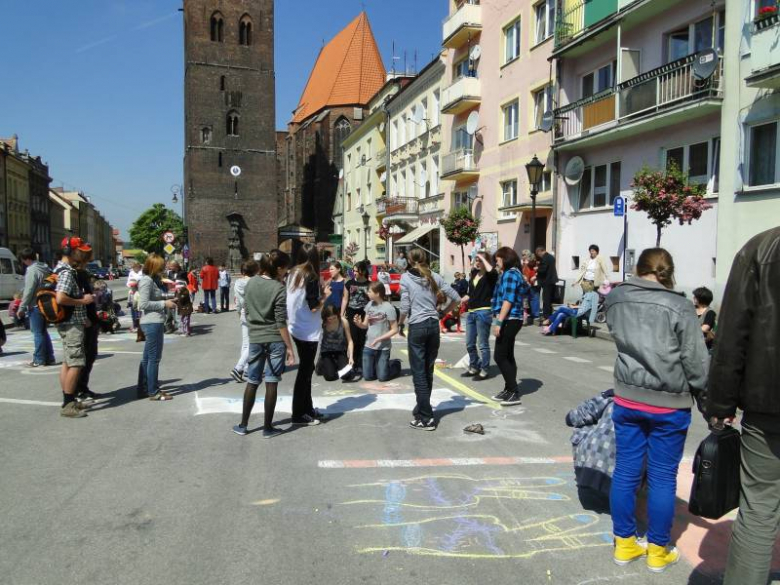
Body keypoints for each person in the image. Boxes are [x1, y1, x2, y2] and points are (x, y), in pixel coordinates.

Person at [605, 248, 709, 572]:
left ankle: (624, 545)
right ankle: (658, 550)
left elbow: (618, 336)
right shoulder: (679, 305)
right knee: (663, 478)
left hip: (627, 397)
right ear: (669, 271)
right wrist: (706, 394)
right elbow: (695, 362)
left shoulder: (617, 298)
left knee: (625, 472)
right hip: (669, 402)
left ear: (639, 268)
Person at [704, 227, 780, 585]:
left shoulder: (760, 249)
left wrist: (720, 401)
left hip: (769, 405)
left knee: (759, 509)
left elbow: (732, 335)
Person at [233, 250, 295, 438]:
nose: (286, 273)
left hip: (256, 338)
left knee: (252, 381)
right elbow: (280, 321)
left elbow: (246, 310)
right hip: (275, 338)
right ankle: (268, 428)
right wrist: (290, 348)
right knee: (271, 382)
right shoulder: (278, 288)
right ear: (278, 268)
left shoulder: (250, 283)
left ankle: (243, 425)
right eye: (285, 269)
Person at [399, 248, 460, 431]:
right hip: (433, 325)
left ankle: (426, 417)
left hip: (417, 325)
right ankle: (422, 408)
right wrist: (442, 313)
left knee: (418, 372)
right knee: (428, 370)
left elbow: (404, 306)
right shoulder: (434, 275)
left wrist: (400, 324)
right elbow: (456, 298)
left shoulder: (406, 278)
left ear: (409, 260)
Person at [54, 237, 95, 418]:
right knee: (77, 362)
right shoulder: (67, 272)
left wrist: (82, 316)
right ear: (71, 251)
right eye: (80, 250)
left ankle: (69, 399)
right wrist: (83, 301)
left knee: (68, 362)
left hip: (68, 321)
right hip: (71, 325)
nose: (83, 253)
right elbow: (61, 298)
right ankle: (68, 404)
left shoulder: (59, 269)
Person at [287, 244, 328, 426]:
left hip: (296, 327)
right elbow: (313, 306)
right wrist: (325, 296)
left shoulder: (293, 272)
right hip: (307, 330)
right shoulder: (310, 276)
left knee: (307, 370)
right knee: (305, 372)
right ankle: (299, 413)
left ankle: (308, 408)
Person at [565, 389, 616, 513]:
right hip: (630, 476)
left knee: (584, 424)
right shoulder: (664, 407)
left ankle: (586, 474)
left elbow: (572, 418)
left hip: (593, 468)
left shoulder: (613, 395)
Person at [136, 254, 178, 401]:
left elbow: (152, 300)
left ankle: (144, 387)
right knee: (154, 358)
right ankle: (153, 391)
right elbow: (143, 304)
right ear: (153, 266)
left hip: (153, 321)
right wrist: (163, 304)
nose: (162, 269)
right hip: (152, 322)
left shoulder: (151, 280)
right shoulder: (146, 281)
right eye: (160, 267)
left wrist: (167, 299)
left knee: (147, 358)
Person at [491, 247, 528, 407]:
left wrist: (499, 322)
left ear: (505, 258)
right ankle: (509, 389)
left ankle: (513, 391)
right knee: (507, 355)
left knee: (499, 356)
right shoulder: (511, 273)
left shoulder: (511, 274)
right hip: (512, 318)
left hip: (510, 318)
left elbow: (509, 299)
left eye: (498, 259)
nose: (496, 262)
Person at [459, 252, 497, 381]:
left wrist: (483, 258)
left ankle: (485, 369)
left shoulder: (490, 276)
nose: (477, 262)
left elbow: (492, 271)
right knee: (469, 343)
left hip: (483, 312)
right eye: (476, 260)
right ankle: (473, 366)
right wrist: (460, 300)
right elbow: (471, 294)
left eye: (480, 260)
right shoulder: (474, 274)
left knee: (483, 344)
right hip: (472, 312)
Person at [354, 282, 401, 382]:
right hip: (369, 345)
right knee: (367, 377)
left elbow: (395, 329)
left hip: (383, 347)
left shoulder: (388, 307)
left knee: (382, 377)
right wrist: (358, 323)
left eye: (370, 291)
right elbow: (365, 325)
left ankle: (395, 364)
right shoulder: (369, 305)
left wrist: (379, 339)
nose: (367, 293)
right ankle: (378, 366)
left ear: (378, 293)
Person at [18, 247, 56, 367]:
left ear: (27, 259)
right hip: (46, 303)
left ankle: (39, 359)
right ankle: (49, 357)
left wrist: (22, 307)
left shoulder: (32, 270)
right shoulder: (45, 267)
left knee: (38, 333)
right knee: (43, 331)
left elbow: (29, 290)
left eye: (23, 261)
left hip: (35, 304)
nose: (23, 263)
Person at [74, 268, 101, 404]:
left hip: (92, 321)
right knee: (83, 358)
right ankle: (78, 389)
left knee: (91, 355)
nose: (92, 281)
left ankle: (83, 387)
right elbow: (77, 305)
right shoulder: (77, 283)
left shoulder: (85, 285)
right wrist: (85, 318)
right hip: (86, 323)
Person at [231, 261, 258, 382]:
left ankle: (246, 370)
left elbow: (237, 301)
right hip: (255, 314)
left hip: (243, 313)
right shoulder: (256, 282)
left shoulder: (238, 283)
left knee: (246, 343)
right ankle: (240, 368)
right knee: (254, 342)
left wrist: (239, 312)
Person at [343, 260, 371, 375]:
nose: (354, 273)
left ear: (363, 271)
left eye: (356, 271)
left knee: (362, 338)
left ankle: (361, 363)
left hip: (364, 314)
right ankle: (352, 362)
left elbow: (372, 301)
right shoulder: (349, 283)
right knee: (352, 338)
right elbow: (345, 299)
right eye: (353, 271)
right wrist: (341, 313)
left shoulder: (369, 284)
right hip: (351, 313)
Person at [316, 304, 355, 382]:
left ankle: (337, 366)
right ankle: (322, 363)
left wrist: (351, 357)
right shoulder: (322, 323)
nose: (332, 320)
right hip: (326, 351)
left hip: (340, 350)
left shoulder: (343, 321)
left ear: (337, 315)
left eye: (334, 318)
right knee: (330, 377)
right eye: (330, 319)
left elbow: (350, 341)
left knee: (346, 376)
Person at [535, 245, 558, 324]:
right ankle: (549, 315)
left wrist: (537, 269)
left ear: (540, 251)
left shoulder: (544, 258)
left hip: (547, 281)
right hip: (552, 280)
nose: (538, 256)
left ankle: (546, 317)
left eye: (538, 254)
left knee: (546, 299)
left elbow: (543, 270)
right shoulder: (551, 257)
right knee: (549, 299)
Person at [692, 286, 716, 351]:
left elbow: (704, 328)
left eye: (695, 297)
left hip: (703, 346)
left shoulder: (710, 312)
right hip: (690, 344)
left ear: (701, 298)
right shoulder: (691, 308)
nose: (693, 298)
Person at [522, 253, 540, 325]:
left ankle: (535, 315)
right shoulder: (526, 265)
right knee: (526, 300)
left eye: (530, 261)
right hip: (527, 284)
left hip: (534, 284)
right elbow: (524, 272)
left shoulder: (537, 265)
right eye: (528, 261)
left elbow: (541, 272)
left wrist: (536, 276)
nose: (529, 262)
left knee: (534, 298)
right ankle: (529, 315)